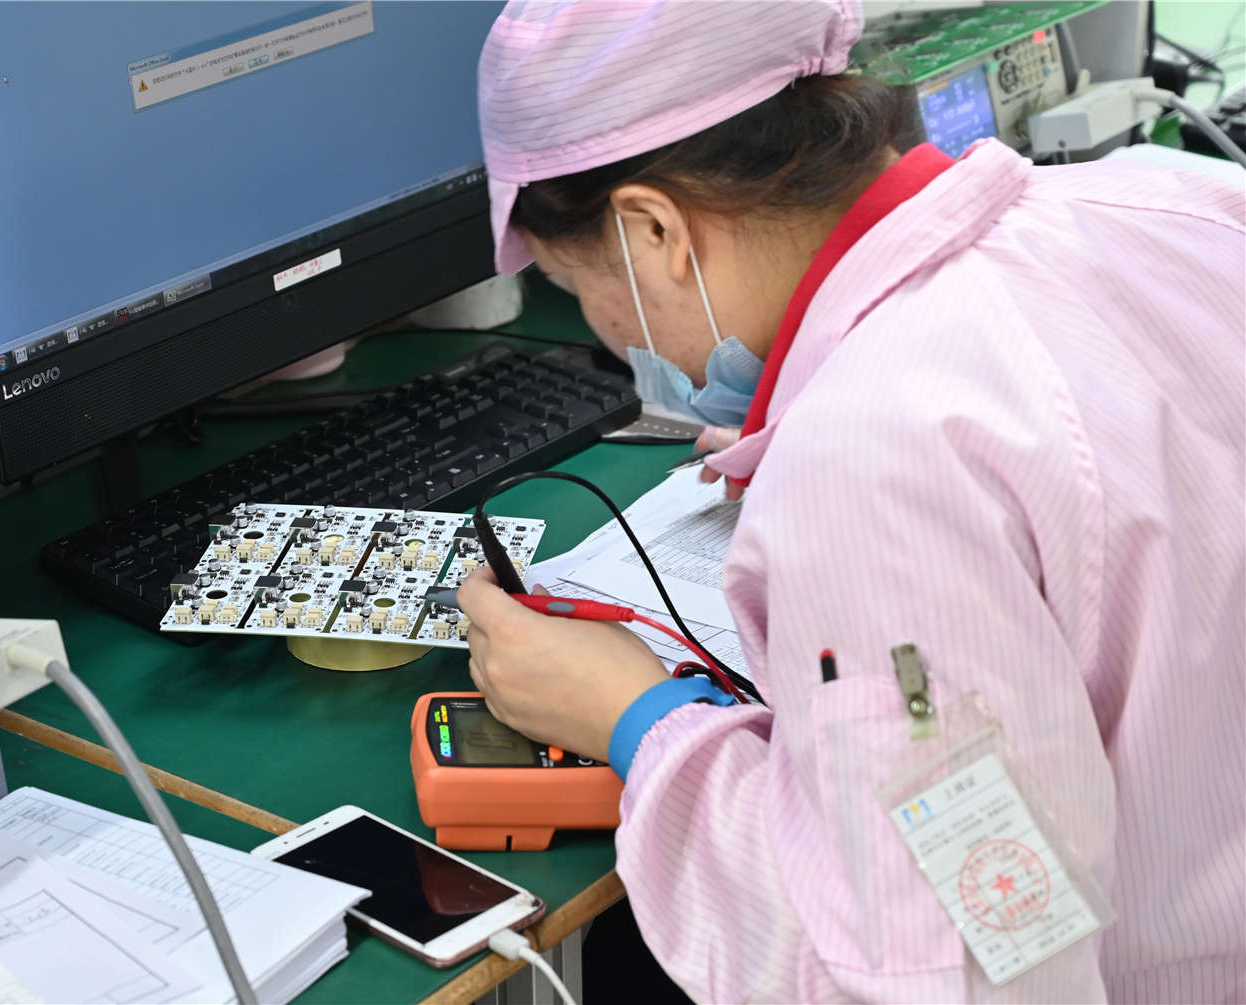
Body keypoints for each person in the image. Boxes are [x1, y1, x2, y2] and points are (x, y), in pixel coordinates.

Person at [456, 2, 1246, 1001]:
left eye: (578, 288)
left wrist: (640, 719)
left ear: (654, 230)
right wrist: (810, 418)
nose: (609, 332)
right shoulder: (1174, 199)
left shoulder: (870, 462)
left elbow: (954, 973)